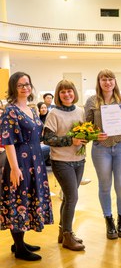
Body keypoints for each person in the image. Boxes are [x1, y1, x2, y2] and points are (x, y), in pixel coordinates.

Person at [0, 72, 53, 261]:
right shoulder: (10, 110)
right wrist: (14, 168)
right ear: (14, 87)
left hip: (35, 161)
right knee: (19, 200)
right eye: (21, 85)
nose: (25, 88)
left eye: (27, 84)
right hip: (20, 162)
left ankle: (19, 242)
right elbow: (8, 141)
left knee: (27, 199)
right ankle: (20, 248)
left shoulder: (31, 108)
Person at [43, 80, 99, 251]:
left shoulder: (80, 111)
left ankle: (63, 233)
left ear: (74, 93)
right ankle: (68, 235)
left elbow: (85, 132)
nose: (67, 95)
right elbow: (47, 139)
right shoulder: (54, 113)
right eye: (63, 92)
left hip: (79, 160)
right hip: (61, 161)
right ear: (58, 95)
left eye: (69, 91)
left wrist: (90, 136)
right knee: (73, 198)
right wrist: (71, 140)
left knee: (68, 198)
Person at [85, 69, 121, 239]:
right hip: (101, 148)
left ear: (115, 81)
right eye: (103, 79)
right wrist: (93, 134)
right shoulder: (92, 101)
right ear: (99, 82)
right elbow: (87, 126)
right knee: (104, 186)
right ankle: (108, 220)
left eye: (110, 79)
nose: (107, 82)